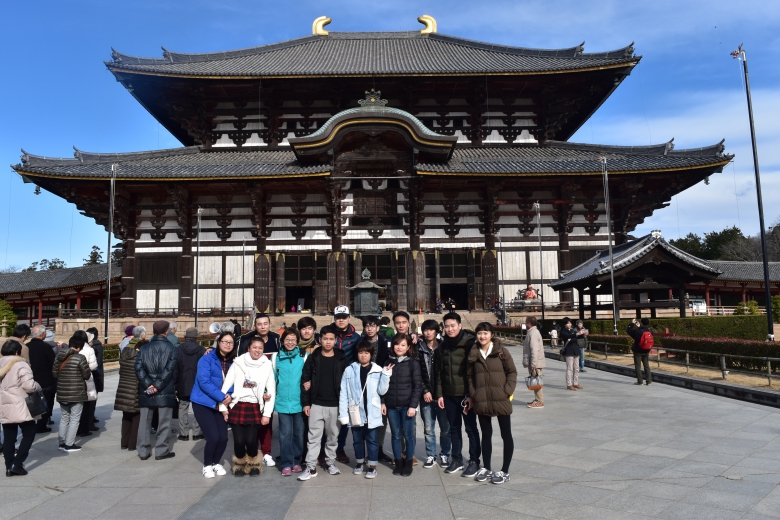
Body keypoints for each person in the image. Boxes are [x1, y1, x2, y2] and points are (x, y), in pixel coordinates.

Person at [298, 326, 349, 481]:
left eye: (331, 339)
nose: (328, 342)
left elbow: (347, 381)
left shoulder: (341, 358)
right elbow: (305, 379)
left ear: (335, 340)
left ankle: (330, 462)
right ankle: (310, 467)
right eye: (325, 339)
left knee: (333, 437)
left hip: (336, 405)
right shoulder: (314, 358)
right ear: (320, 340)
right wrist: (306, 403)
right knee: (313, 437)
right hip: (316, 404)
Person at [468, 322, 517, 484]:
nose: (482, 336)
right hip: (482, 399)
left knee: (506, 434)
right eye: (480, 333)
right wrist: (474, 393)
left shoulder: (502, 352)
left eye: (485, 333)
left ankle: (505, 471)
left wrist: (507, 391)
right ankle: (487, 467)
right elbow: (469, 376)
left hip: (501, 398)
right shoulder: (473, 353)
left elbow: (512, 372)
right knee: (486, 435)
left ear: (492, 335)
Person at [221, 336, 275, 477]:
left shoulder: (267, 364)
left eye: (260, 348)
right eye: (254, 347)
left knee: (251, 440)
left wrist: (267, 414)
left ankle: (254, 464)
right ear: (249, 348)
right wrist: (222, 407)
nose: (257, 350)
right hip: (238, 405)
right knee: (239, 440)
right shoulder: (238, 363)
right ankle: (239, 465)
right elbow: (226, 385)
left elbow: (271, 390)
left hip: (255, 406)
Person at [434, 312, 481, 477]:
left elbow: (475, 371)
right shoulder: (442, 347)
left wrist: (471, 394)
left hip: (466, 395)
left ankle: (474, 460)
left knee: (470, 428)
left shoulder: (469, 344)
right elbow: (438, 373)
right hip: (449, 394)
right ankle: (457, 459)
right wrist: (439, 394)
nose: (450, 329)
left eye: (453, 325)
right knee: (454, 428)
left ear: (460, 325)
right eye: (446, 326)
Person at [338, 340, 390, 479]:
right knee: (357, 440)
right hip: (356, 411)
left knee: (372, 440)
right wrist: (343, 413)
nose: (363, 355)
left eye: (366, 352)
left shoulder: (378, 370)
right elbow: (344, 393)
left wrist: (386, 375)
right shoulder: (350, 369)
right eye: (361, 352)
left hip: (372, 411)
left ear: (371, 354)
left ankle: (372, 466)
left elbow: (382, 390)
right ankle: (359, 463)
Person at [190, 330, 235, 478]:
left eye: (230, 342)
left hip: (221, 404)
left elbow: (234, 381)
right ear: (218, 342)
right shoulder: (206, 359)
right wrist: (222, 397)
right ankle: (207, 464)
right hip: (203, 402)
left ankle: (216, 462)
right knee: (213, 437)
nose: (227, 345)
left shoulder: (232, 362)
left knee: (223, 437)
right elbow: (204, 382)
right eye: (224, 341)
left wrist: (230, 395)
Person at [134, 320, 178, 461]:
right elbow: (170, 370)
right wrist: (157, 385)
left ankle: (143, 450)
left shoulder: (144, 348)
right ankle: (161, 450)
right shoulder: (172, 348)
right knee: (164, 421)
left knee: (144, 421)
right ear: (167, 331)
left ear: (153, 331)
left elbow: (138, 368)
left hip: (146, 389)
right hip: (164, 388)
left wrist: (149, 385)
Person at [0, 339, 42, 476]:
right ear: (18, 351)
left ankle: (8, 466)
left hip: (5, 405)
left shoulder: (1, 363)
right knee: (29, 433)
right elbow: (29, 386)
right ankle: (17, 464)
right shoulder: (20, 364)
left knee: (9, 437)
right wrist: (39, 386)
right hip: (22, 404)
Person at [382, 334, 422, 477]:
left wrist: (413, 406)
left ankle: (408, 462)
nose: (399, 347)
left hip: (407, 406)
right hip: (392, 405)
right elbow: (382, 385)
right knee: (396, 435)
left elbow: (418, 386)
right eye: (397, 344)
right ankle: (398, 462)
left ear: (408, 347)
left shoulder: (412, 363)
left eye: (403, 345)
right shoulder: (387, 362)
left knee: (409, 436)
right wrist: (383, 402)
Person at [328, 305, 361, 464]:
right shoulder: (327, 334)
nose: (341, 320)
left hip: (346, 382)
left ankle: (340, 448)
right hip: (328, 380)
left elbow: (358, 359)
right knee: (326, 417)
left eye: (344, 317)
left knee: (344, 417)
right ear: (334, 318)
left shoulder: (355, 337)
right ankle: (324, 449)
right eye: (338, 317)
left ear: (349, 317)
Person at [273, 328, 308, 476]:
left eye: (293, 339)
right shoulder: (276, 357)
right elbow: (272, 378)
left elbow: (308, 375)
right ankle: (286, 463)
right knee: (285, 434)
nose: (290, 342)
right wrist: (268, 394)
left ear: (297, 341)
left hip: (299, 402)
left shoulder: (304, 356)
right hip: (282, 402)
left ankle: (296, 460)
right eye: (287, 339)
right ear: (282, 340)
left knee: (299, 434)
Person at [418, 319, 451, 469]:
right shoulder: (419, 348)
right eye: (426, 330)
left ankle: (445, 454)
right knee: (428, 428)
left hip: (442, 395)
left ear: (436, 331)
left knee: (445, 428)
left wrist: (441, 393)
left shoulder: (444, 347)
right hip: (426, 395)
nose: (428, 332)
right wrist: (425, 390)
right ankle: (431, 454)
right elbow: (417, 372)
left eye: (431, 330)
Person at [52, 334, 91, 452]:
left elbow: (54, 374)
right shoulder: (80, 358)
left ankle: (61, 443)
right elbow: (86, 375)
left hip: (62, 391)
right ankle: (69, 444)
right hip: (77, 392)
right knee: (75, 418)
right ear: (79, 347)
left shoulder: (59, 357)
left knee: (64, 417)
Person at [175, 327, 206, 442]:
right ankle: (197, 432)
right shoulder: (201, 350)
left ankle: (184, 433)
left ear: (185, 337)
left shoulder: (178, 349)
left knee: (183, 407)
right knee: (197, 408)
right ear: (196, 338)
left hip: (182, 382)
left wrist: (175, 385)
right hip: (197, 383)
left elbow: (175, 369)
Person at [114, 334, 141, 450]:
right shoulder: (138, 359)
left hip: (123, 389)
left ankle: (124, 442)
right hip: (135, 390)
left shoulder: (123, 357)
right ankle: (132, 444)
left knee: (126, 416)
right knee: (136, 416)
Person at [27, 325, 56, 432]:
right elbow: (53, 364)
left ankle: (31, 423)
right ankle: (41, 425)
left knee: (32, 402)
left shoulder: (26, 346)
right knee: (46, 403)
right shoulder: (46, 347)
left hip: (30, 378)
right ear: (43, 334)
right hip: (46, 380)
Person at [76, 331, 99, 437]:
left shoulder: (70, 348)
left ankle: (74, 429)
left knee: (75, 406)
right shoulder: (89, 350)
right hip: (86, 378)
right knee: (86, 405)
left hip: (73, 379)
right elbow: (93, 366)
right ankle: (84, 428)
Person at [522, 316, 546, 409]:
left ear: (529, 323)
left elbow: (534, 349)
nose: (525, 324)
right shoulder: (532, 332)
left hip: (535, 362)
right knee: (534, 381)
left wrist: (533, 364)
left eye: (526, 322)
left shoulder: (533, 333)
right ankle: (537, 399)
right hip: (534, 362)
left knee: (537, 381)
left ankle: (540, 401)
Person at [86, 328, 104, 425]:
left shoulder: (86, 346)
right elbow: (98, 362)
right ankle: (90, 419)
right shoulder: (98, 346)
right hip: (95, 374)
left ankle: (89, 418)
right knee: (92, 398)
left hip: (88, 375)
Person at [627, 318, 653, 386]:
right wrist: (640, 327)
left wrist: (632, 323)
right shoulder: (650, 331)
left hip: (638, 350)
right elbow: (646, 331)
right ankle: (649, 381)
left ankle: (640, 381)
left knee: (638, 366)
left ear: (641, 323)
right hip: (646, 350)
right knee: (646, 366)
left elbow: (629, 331)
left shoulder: (638, 331)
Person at [560, 318, 582, 391]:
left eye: (570, 323)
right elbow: (566, 337)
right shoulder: (563, 331)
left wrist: (580, 334)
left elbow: (576, 338)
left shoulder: (573, 330)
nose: (569, 324)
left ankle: (576, 383)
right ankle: (569, 384)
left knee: (576, 368)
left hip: (575, 350)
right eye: (568, 323)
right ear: (564, 324)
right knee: (569, 368)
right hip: (569, 351)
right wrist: (574, 336)